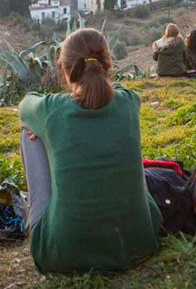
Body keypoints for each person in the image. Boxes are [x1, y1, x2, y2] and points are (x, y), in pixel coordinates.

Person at [20, 28, 162, 274]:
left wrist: (41, 125)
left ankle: (42, 226)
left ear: (65, 69)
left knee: (29, 132)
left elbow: (25, 105)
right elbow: (114, 89)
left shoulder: (52, 110)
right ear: (107, 63)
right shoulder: (129, 101)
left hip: (63, 254)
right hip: (138, 243)